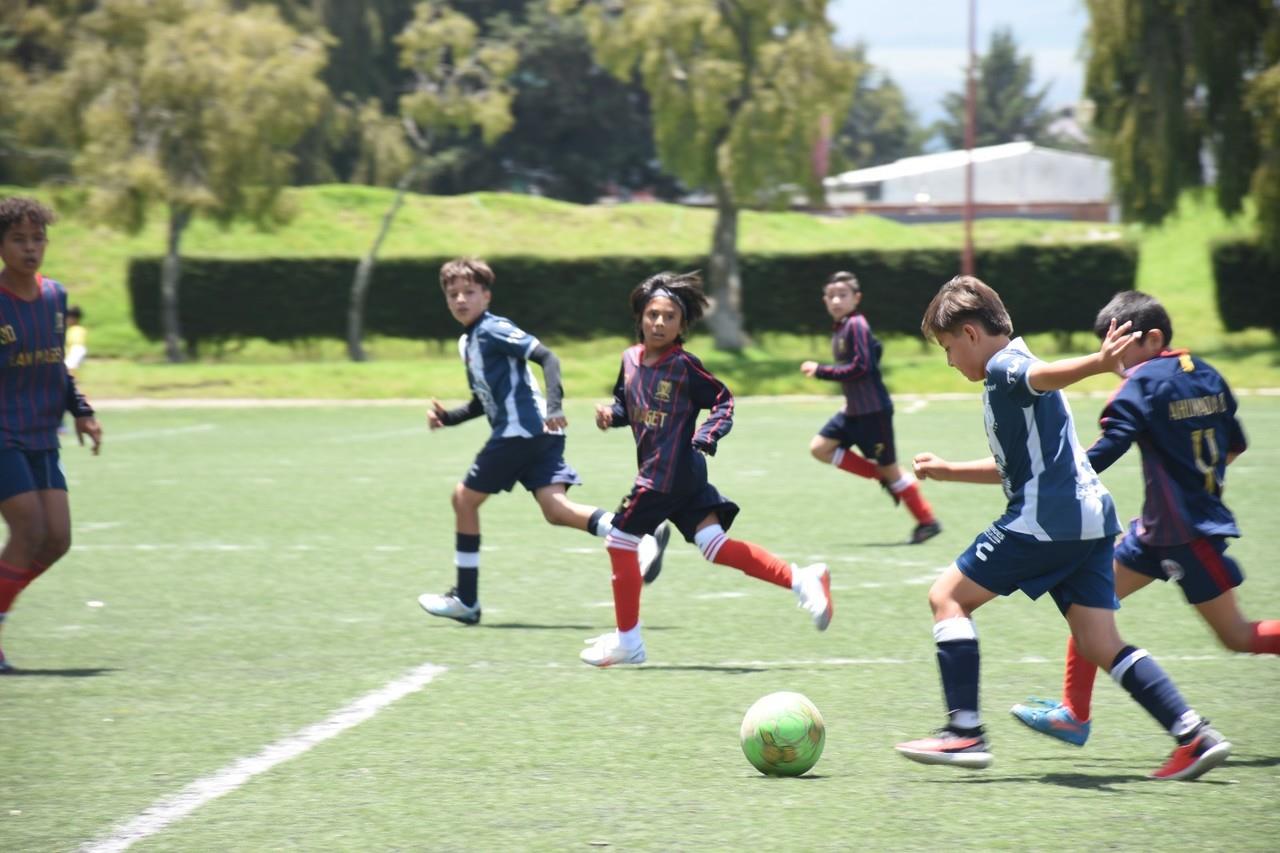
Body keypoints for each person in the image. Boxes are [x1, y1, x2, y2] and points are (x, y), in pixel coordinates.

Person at [894, 275, 1230, 781]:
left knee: (948, 598)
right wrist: (948, 470)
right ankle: (1192, 734)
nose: (949, 361)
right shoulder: (1014, 371)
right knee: (1100, 642)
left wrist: (1096, 364)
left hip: (1045, 523)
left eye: (947, 348)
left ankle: (964, 730)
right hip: (1090, 521)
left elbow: (1045, 376)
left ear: (969, 333)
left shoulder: (1007, 366)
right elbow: (1019, 468)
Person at [1011, 290, 1279, 745]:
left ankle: (1156, 731)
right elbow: (1234, 445)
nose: (1116, 364)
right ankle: (1074, 715)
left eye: (1121, 351)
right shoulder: (1209, 374)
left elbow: (1109, 446)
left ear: (1153, 339)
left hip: (1187, 536)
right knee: (1087, 607)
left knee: (1236, 635)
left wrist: (1050, 480)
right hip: (1158, 532)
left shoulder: (1143, 383)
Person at [581, 270, 833, 667]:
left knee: (619, 541)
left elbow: (723, 401)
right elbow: (627, 405)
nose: (659, 323)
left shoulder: (684, 365)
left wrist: (705, 436)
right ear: (640, 318)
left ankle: (628, 641)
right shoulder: (629, 360)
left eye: (668, 316)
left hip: (667, 475)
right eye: (652, 315)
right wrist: (610, 416)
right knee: (714, 546)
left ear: (682, 325)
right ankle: (802, 579)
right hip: (677, 475)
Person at [418, 257, 669, 625]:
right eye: (452, 294)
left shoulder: (493, 329)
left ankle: (466, 599)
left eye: (469, 292)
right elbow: (482, 402)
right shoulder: (467, 342)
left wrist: (554, 406)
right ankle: (640, 536)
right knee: (557, 510)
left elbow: (547, 358)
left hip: (524, 431)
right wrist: (448, 417)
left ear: (486, 296)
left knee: (463, 499)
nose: (460, 300)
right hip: (536, 433)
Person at [0, 197, 102, 673]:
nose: (29, 248)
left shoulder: (55, 297)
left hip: (41, 431)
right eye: (18, 239)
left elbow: (57, 367)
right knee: (30, 528)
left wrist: (81, 410)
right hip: (2, 433)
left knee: (57, 539)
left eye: (37, 239)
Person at [801, 271, 940, 544]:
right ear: (824, 300)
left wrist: (821, 371)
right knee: (820, 448)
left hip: (873, 413)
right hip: (853, 411)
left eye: (843, 295)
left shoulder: (856, 325)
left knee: (892, 471)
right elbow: (872, 354)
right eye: (831, 296)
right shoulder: (841, 327)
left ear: (857, 298)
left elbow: (861, 367)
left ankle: (927, 521)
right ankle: (885, 477)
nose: (837, 300)